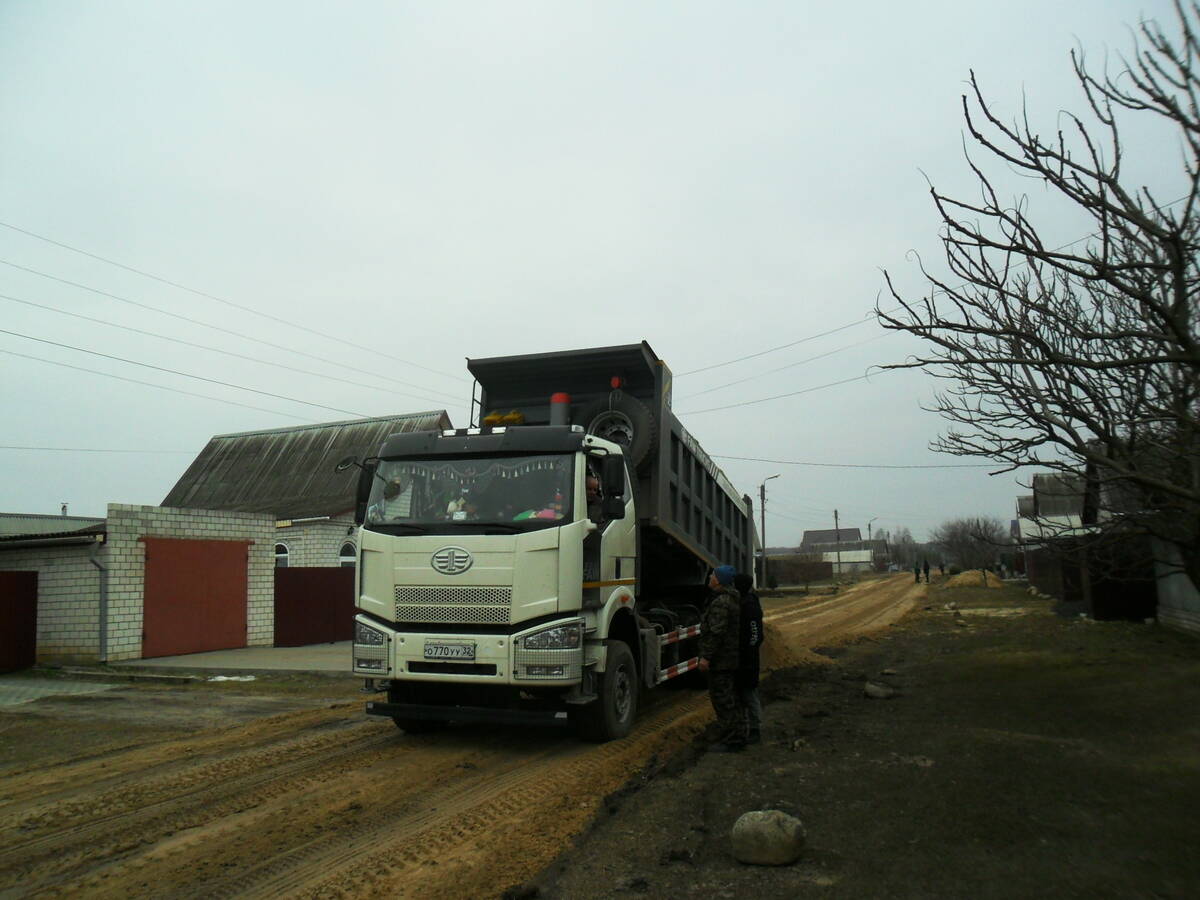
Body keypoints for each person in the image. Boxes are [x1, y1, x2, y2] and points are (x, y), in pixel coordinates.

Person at [699, 564, 746, 752]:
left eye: (712, 575)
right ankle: (738, 734)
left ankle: (732, 741)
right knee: (730, 698)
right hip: (727, 659)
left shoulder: (721, 602)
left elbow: (716, 633)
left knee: (723, 700)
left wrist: (706, 657)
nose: (710, 577)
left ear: (718, 580)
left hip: (721, 661)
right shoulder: (728, 598)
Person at [733, 572, 764, 745]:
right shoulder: (745, 602)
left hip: (749, 660)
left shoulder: (750, 606)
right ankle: (744, 727)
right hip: (743, 658)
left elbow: (755, 635)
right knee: (741, 694)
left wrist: (748, 652)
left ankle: (755, 729)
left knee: (749, 694)